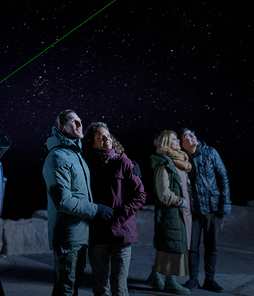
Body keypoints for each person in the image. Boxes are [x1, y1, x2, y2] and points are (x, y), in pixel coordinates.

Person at [43, 109, 114, 296]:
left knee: (74, 284)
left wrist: (126, 162)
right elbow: (63, 201)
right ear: (61, 128)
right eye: (73, 122)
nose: (79, 124)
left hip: (81, 233)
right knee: (66, 287)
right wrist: (96, 209)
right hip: (69, 236)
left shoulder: (76, 154)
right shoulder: (58, 157)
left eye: (80, 121)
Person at [82, 122, 146, 296]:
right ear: (92, 142)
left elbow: (140, 196)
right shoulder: (87, 165)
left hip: (121, 233)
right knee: (100, 286)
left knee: (119, 285)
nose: (106, 139)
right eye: (100, 137)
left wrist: (118, 217)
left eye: (108, 135)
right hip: (98, 235)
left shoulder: (124, 163)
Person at [178, 128, 231, 293]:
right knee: (192, 247)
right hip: (193, 210)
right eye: (187, 135)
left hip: (212, 207)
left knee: (211, 246)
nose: (192, 135)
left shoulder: (210, 152)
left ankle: (210, 280)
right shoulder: (182, 157)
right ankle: (193, 280)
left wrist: (226, 202)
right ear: (182, 143)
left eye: (192, 133)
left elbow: (223, 176)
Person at [147, 130, 192, 295]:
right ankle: (170, 281)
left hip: (183, 211)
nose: (178, 141)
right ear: (166, 143)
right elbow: (164, 194)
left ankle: (155, 275)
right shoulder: (164, 164)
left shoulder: (179, 161)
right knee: (172, 247)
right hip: (173, 211)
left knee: (171, 245)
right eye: (173, 139)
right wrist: (180, 201)